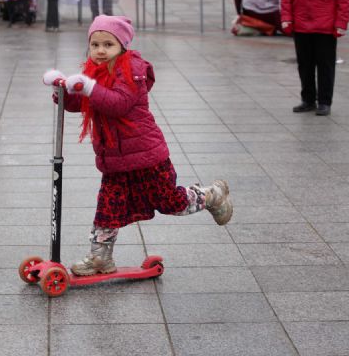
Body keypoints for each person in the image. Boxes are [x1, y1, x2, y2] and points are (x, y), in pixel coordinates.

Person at [42, 16, 233, 276]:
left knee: (171, 202)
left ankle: (211, 195)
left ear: (122, 46)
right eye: (95, 45)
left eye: (108, 44)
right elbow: (83, 102)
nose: (100, 51)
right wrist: (62, 90)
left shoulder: (132, 70)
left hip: (147, 156)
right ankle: (100, 258)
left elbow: (117, 104)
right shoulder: (94, 71)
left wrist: (88, 87)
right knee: (107, 210)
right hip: (115, 161)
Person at [280, 0, 349, 116]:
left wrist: (341, 22)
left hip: (326, 24)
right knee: (304, 64)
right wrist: (286, 17)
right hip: (301, 22)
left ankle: (324, 102)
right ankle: (308, 100)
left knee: (325, 65)